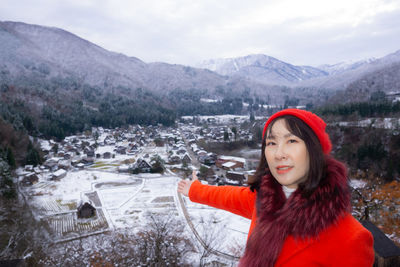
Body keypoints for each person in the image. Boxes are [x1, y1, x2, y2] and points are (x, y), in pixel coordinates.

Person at [177, 108, 374, 267]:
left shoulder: (351, 239)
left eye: (291, 141)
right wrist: (194, 190)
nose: (279, 153)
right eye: (271, 143)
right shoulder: (264, 201)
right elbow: (227, 195)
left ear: (314, 150)